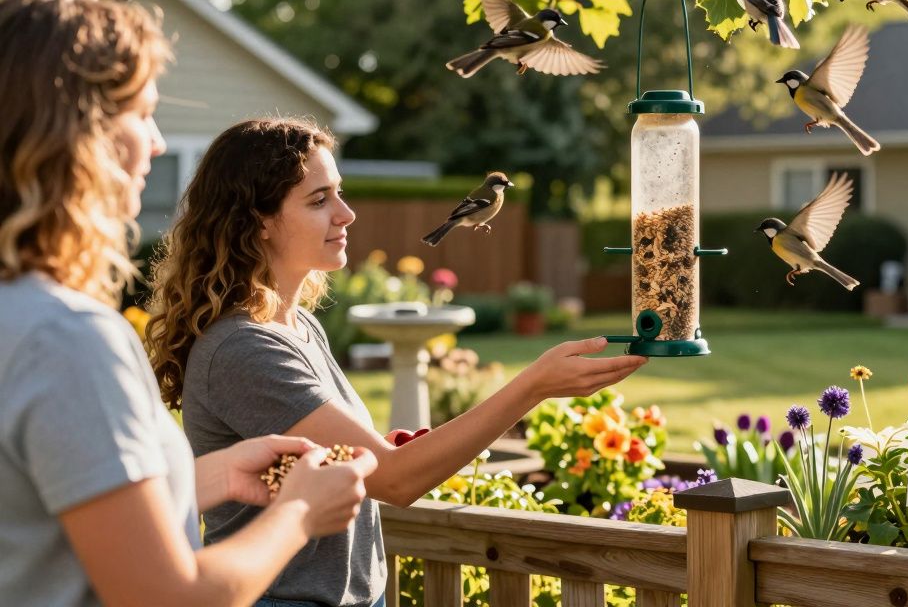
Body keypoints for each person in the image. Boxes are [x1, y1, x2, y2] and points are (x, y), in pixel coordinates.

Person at [146, 117, 648, 607]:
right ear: (259, 222)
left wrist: (381, 448)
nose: (346, 214)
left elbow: (350, 462)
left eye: (339, 193)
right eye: (320, 200)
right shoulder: (243, 348)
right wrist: (534, 386)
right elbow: (394, 479)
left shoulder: (300, 327)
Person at [0, 0, 377, 607]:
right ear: (79, 132)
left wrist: (212, 476)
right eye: (142, 113)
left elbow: (38, 522)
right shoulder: (63, 337)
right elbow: (167, 595)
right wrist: (300, 513)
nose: (155, 141)